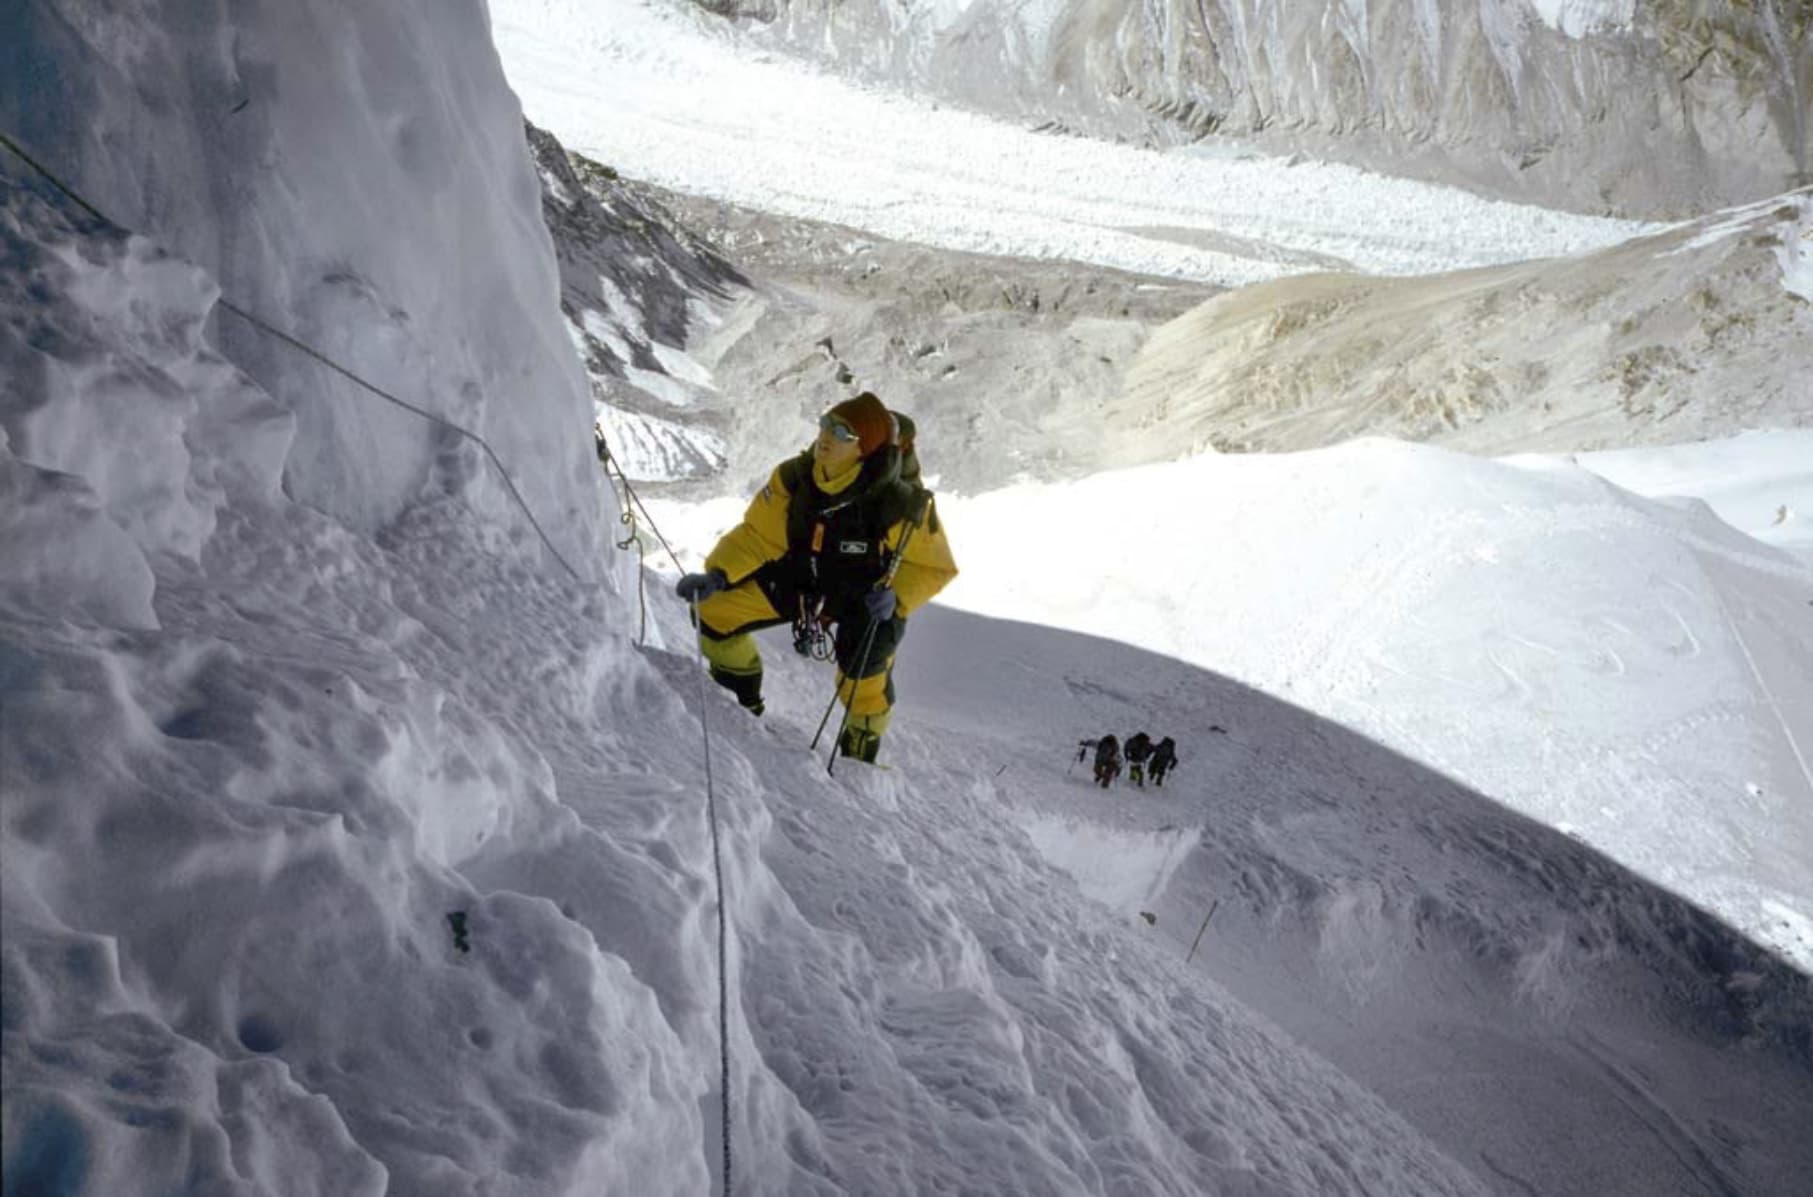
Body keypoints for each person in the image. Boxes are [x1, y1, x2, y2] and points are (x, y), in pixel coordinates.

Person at [674, 393, 957, 764]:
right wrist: (718, 574)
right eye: (826, 424)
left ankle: (859, 756)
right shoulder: (795, 478)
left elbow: (932, 566)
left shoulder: (897, 504)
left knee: (863, 677)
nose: (827, 436)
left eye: (843, 432)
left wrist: (897, 598)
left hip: (867, 597)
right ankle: (739, 708)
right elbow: (758, 535)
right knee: (714, 611)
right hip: (802, 581)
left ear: (864, 448)